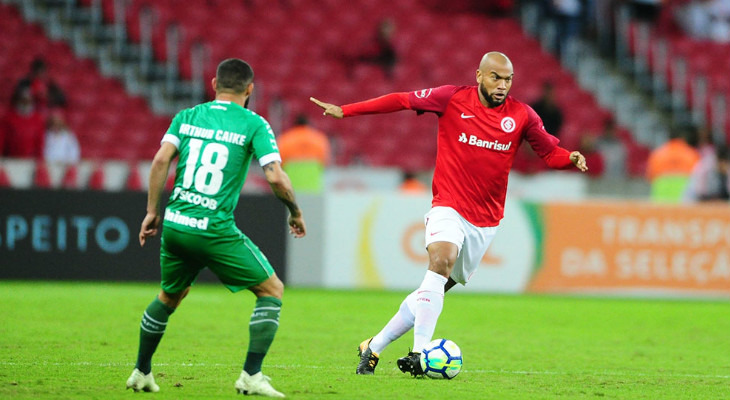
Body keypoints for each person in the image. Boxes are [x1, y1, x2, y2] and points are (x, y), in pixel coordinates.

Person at [310, 51, 588, 377]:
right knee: (439, 262)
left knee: (431, 291)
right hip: (448, 205)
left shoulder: (522, 115)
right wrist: (346, 110)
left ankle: (373, 347)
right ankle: (419, 352)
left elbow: (548, 152)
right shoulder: (452, 98)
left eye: (508, 79)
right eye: (496, 77)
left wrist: (571, 157)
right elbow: (401, 99)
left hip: (485, 221)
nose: (502, 85)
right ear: (480, 76)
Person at [126, 58, 306, 397]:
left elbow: (161, 159)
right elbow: (274, 175)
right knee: (272, 290)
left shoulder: (187, 116)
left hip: (177, 224)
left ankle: (141, 371)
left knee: (170, 295)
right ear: (250, 89)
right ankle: (251, 376)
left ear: (213, 84)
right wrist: (294, 210)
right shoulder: (255, 124)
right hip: (212, 228)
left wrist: (152, 210)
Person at [276, 113, 331, 193]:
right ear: (308, 124)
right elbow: (325, 162)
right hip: (313, 186)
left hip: (291, 185)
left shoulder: (285, 139)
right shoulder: (319, 139)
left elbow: (279, 164)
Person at [646, 124, 700, 202]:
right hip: (684, 190)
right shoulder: (691, 153)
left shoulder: (658, 153)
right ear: (683, 138)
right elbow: (698, 176)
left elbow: (650, 176)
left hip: (662, 190)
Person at [2, 83, 45, 158]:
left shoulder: (38, 119)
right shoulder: (8, 118)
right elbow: (2, 138)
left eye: (28, 100)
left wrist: (40, 158)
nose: (26, 103)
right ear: (18, 100)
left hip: (30, 160)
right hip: (11, 159)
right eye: (23, 100)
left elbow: (40, 142)